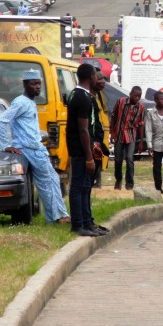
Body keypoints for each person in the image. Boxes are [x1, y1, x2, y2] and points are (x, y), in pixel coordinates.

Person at [0, 69, 70, 226]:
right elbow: (1, 121)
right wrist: (6, 145)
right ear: (25, 84)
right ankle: (55, 218)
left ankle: (60, 214)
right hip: (30, 150)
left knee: (53, 179)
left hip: (37, 148)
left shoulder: (29, 102)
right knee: (46, 184)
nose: (37, 87)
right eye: (33, 84)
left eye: (39, 84)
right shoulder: (21, 102)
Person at [67, 63, 100, 237]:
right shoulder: (82, 98)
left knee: (86, 186)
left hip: (83, 148)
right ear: (90, 77)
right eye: (95, 75)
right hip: (80, 150)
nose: (97, 78)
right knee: (78, 186)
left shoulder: (77, 94)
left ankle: (88, 222)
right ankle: (78, 224)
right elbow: (83, 129)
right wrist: (89, 157)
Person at [109, 85, 145, 190]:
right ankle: (118, 179)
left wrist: (141, 141)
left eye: (139, 96)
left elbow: (141, 124)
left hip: (131, 136)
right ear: (130, 94)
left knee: (130, 159)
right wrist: (112, 132)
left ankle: (129, 184)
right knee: (118, 160)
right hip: (119, 135)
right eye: (135, 96)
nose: (137, 98)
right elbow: (113, 116)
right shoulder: (120, 102)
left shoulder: (141, 108)